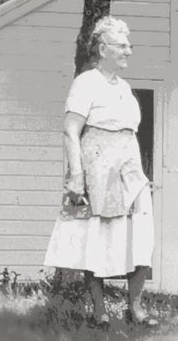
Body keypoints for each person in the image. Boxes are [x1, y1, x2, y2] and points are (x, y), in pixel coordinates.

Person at [43, 16, 156, 327]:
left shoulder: (125, 86)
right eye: (122, 45)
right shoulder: (86, 82)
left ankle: (136, 307)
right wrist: (76, 176)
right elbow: (70, 130)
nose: (128, 51)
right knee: (97, 238)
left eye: (128, 45)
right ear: (103, 48)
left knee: (140, 235)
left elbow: (128, 132)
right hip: (98, 167)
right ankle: (100, 310)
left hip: (130, 169)